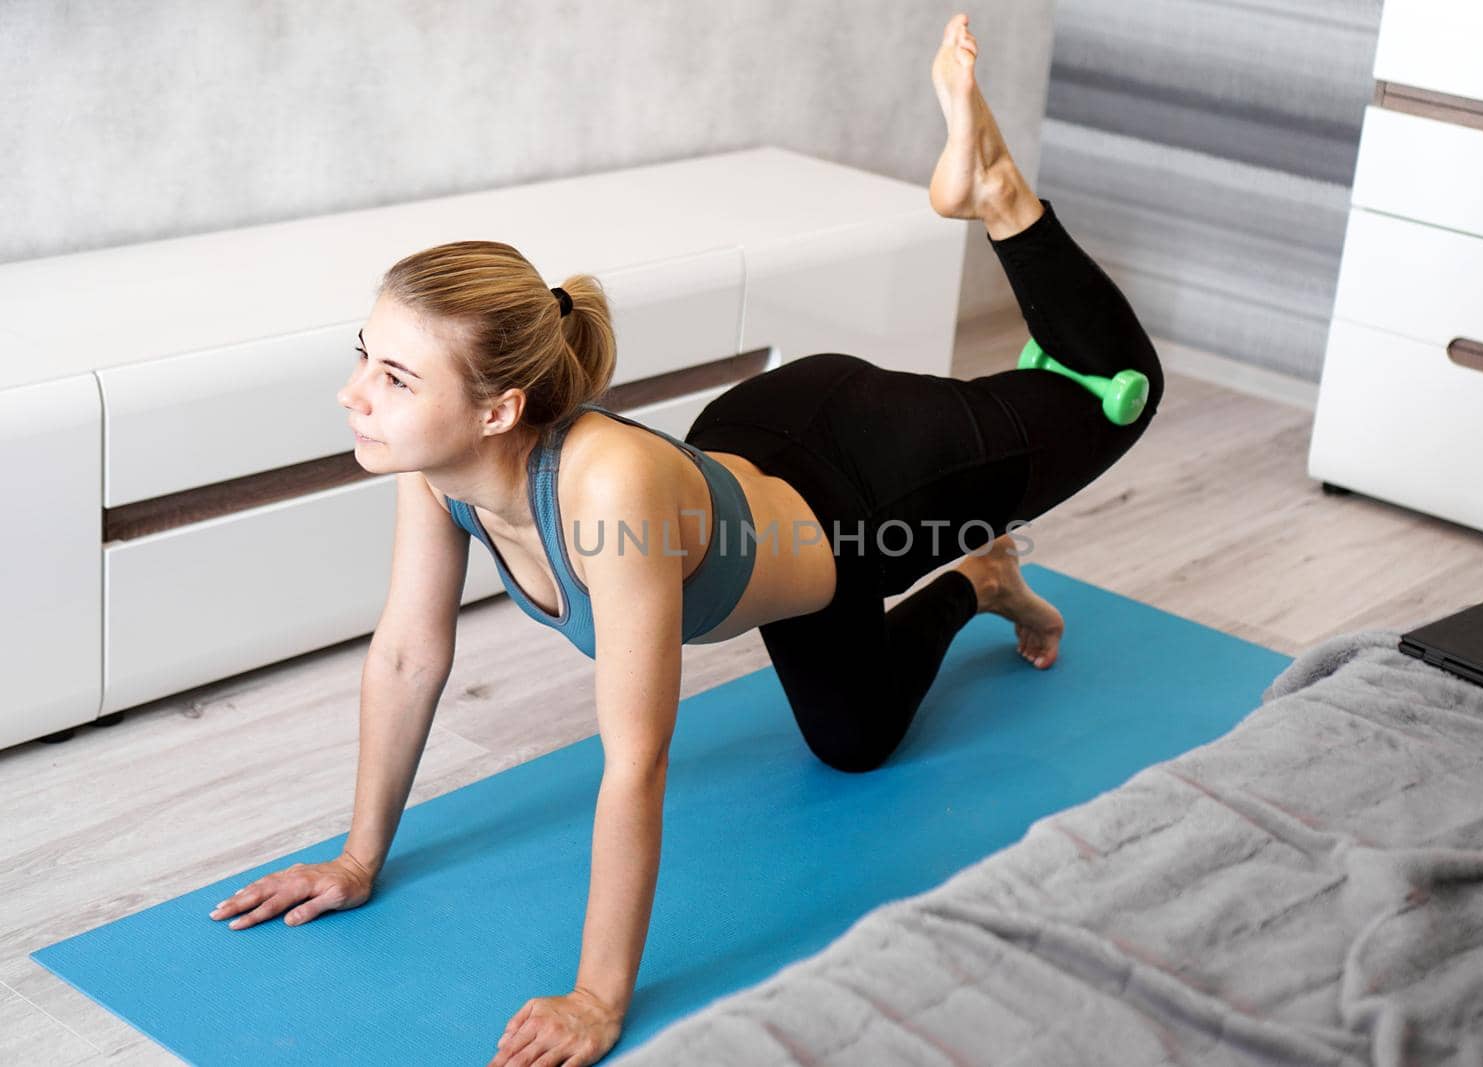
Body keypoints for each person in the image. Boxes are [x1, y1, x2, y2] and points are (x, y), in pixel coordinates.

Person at [206, 13, 1164, 1066]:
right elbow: (405, 654)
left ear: (496, 409)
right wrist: (355, 858)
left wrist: (596, 996)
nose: (355, 395)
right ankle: (981, 577)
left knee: (1113, 395)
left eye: (394, 376)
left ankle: (1001, 197)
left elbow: (638, 756)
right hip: (766, 493)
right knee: (854, 745)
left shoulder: (609, 487)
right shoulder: (437, 476)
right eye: (365, 358)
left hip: (871, 476)